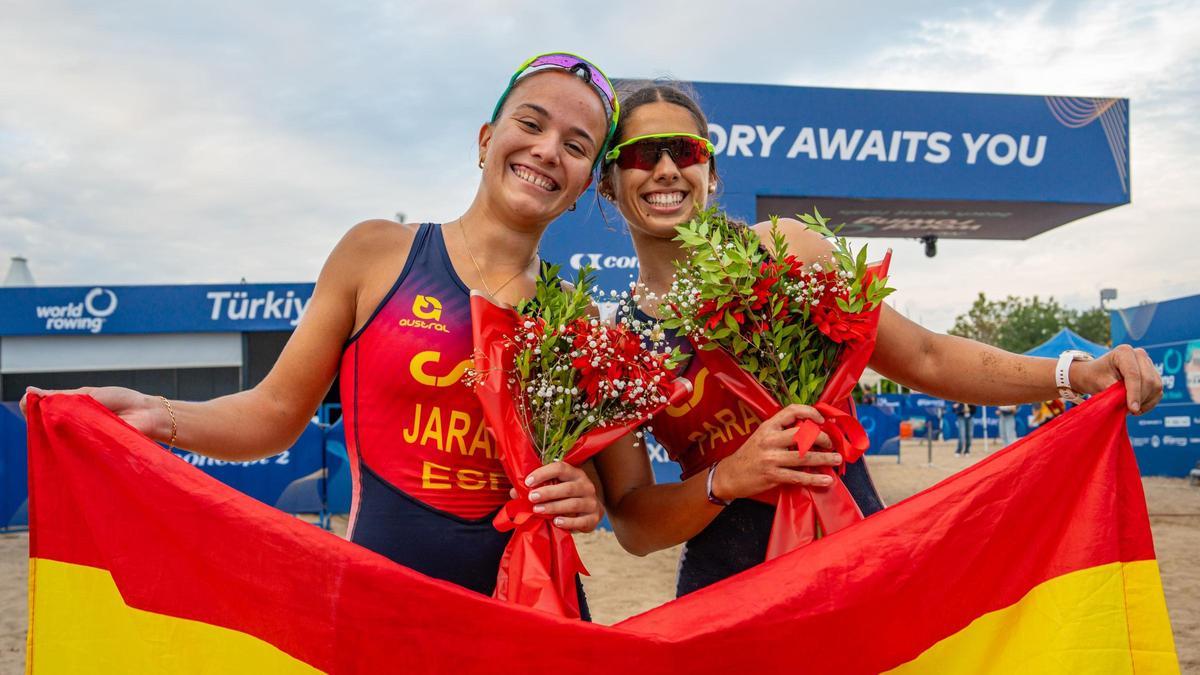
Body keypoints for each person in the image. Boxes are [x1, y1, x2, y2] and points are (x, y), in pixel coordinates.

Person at [20, 53, 618, 609]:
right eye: (531, 124)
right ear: (486, 140)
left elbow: (573, 474)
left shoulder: (576, 318)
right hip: (381, 606)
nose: (546, 150)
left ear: (584, 185)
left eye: (574, 144)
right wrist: (157, 414)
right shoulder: (378, 253)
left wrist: (581, 492)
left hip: (532, 612)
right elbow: (276, 410)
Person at [591, 82, 1163, 597]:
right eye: (642, 154)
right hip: (727, 597)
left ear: (710, 172)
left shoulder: (785, 250)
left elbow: (925, 356)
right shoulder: (617, 345)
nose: (666, 168)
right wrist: (728, 477)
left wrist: (1074, 373)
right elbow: (636, 526)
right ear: (609, 184)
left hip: (857, 561)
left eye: (686, 151)